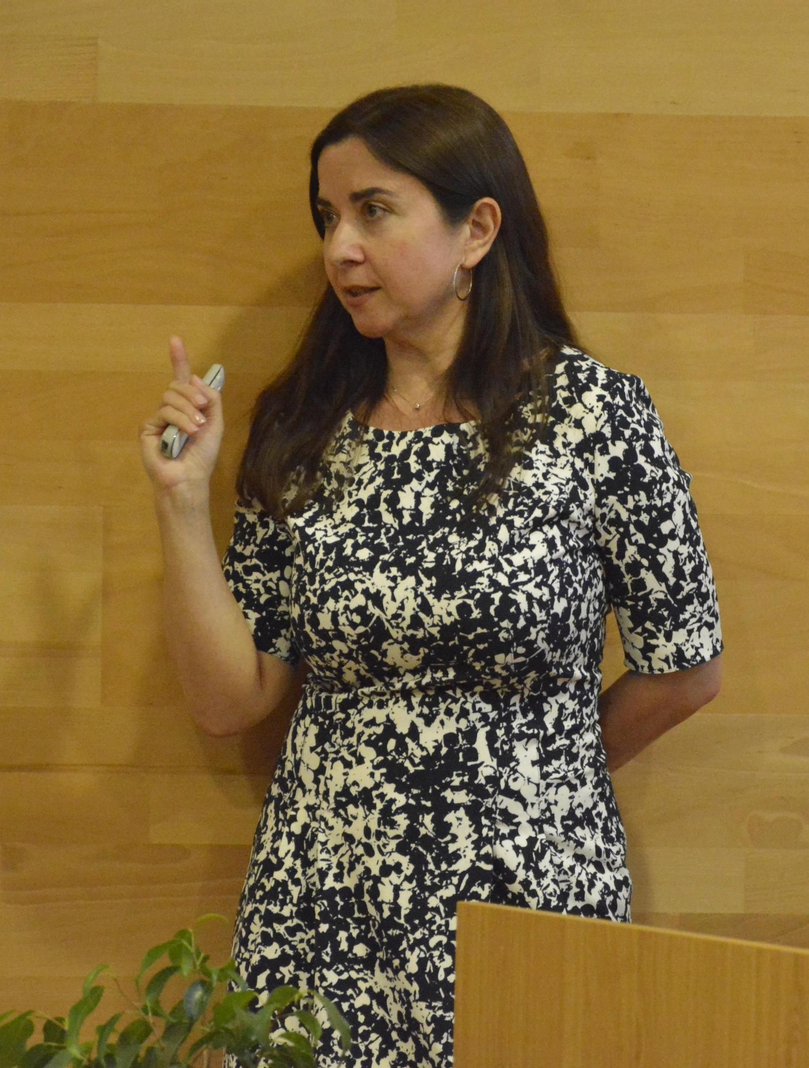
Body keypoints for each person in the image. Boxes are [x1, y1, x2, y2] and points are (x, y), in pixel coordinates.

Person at [138, 84, 722, 1067]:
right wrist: (180, 501)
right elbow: (230, 700)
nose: (339, 248)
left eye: (373, 210)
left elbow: (687, 667)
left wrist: (544, 778)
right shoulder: (301, 426)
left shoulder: (596, 417)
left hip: (530, 905)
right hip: (320, 912)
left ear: (476, 230)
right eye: (327, 217)